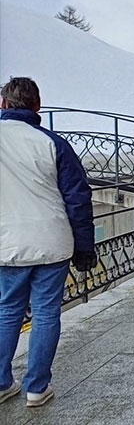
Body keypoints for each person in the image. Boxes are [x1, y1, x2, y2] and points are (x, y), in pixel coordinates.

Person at [0, 77, 96, 407]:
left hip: (7, 243)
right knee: (45, 313)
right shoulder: (53, 143)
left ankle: (2, 383)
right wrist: (85, 247)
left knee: (7, 311)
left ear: (3, 104)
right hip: (52, 240)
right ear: (37, 106)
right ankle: (37, 388)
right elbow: (78, 198)